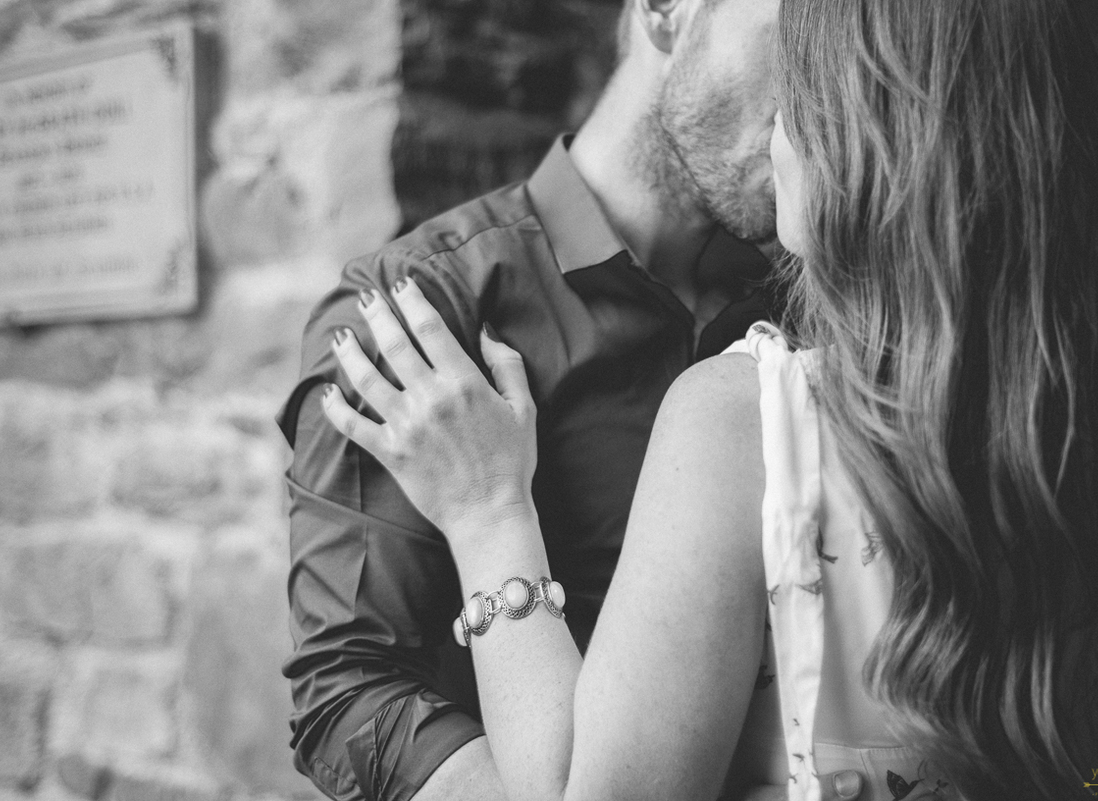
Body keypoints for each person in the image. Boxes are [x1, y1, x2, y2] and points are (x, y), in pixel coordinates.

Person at [321, 0, 1098, 799]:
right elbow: (349, 680)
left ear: (875, 141)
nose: (782, 122)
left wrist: (486, 512)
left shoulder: (752, 410)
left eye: (812, 83)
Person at [277, 0, 867, 798]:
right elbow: (350, 692)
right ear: (666, 12)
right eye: (797, 39)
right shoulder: (419, 306)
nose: (826, 92)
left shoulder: (813, 302)